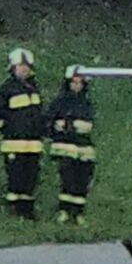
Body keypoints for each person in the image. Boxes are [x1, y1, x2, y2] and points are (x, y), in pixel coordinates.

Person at [0, 48, 45, 219]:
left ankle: (27, 210)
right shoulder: (6, 89)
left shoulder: (34, 89)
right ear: (13, 67)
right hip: (13, 143)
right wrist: (8, 128)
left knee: (30, 178)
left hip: (33, 145)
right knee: (16, 178)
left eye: (26, 66)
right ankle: (14, 209)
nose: (24, 69)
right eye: (21, 66)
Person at [45, 66, 96, 225]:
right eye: (74, 82)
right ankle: (64, 211)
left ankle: (78, 212)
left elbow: (89, 124)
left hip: (84, 148)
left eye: (79, 83)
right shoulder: (60, 102)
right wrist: (60, 128)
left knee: (82, 181)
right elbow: (48, 122)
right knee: (68, 181)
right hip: (65, 147)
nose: (77, 85)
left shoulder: (86, 103)